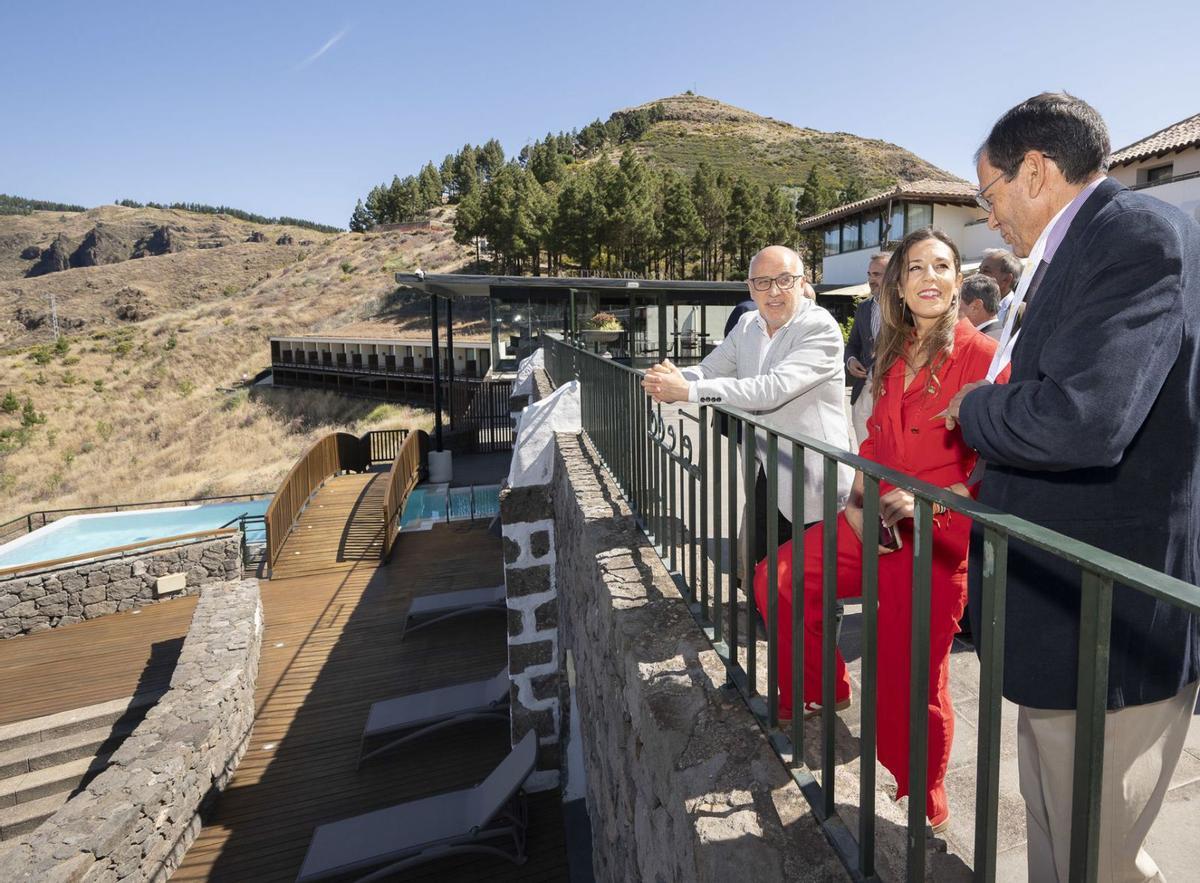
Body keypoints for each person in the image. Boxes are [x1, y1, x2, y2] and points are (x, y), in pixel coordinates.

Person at [944, 91, 1200, 883]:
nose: (989, 220)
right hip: (1065, 611)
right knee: (1062, 836)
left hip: (1109, 617)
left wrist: (975, 408)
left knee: (1092, 854)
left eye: (988, 196)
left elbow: (1082, 417)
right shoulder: (1088, 240)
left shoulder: (1134, 236)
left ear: (1036, 171)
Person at [753, 228, 1008, 832]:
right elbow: (873, 443)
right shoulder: (893, 352)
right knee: (777, 577)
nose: (928, 277)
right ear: (897, 283)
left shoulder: (983, 356)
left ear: (956, 280)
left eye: (941, 266)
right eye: (915, 267)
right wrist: (859, 502)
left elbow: (1000, 459)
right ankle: (820, 684)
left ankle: (922, 791)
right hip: (869, 520)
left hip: (936, 539)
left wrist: (938, 500)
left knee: (910, 672)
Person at [641, 245, 852, 564]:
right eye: (763, 282)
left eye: (785, 279)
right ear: (750, 288)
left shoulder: (819, 327)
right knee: (767, 570)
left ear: (801, 282)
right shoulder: (747, 325)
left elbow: (770, 390)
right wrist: (670, 376)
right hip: (766, 468)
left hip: (812, 474)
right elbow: (708, 370)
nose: (775, 291)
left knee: (816, 584)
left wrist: (686, 391)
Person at [845, 253, 891, 448]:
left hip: (889, 393)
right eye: (870, 274)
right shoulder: (863, 307)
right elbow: (853, 344)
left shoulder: (906, 309)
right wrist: (851, 360)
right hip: (862, 391)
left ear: (893, 275)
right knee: (863, 451)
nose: (871, 279)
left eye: (877, 274)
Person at [978, 247, 1022, 326]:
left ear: (1006, 280)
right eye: (979, 271)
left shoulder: (1021, 312)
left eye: (986, 271)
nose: (978, 276)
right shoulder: (973, 306)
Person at [958, 273, 1003, 339]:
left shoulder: (983, 342)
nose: (953, 309)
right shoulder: (1005, 335)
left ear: (976, 306)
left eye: (956, 302)